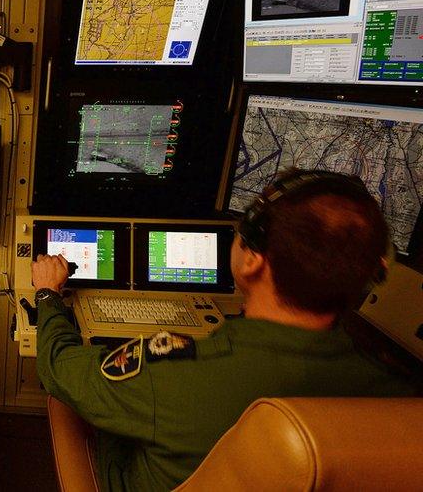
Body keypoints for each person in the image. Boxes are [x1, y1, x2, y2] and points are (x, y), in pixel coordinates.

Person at [32, 169, 415, 491]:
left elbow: (59, 367)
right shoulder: (396, 395)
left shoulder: (175, 372)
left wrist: (49, 295)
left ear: (252, 261)